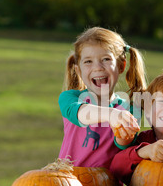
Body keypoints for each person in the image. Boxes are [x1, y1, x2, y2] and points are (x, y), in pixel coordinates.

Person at [58, 27, 147, 169]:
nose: (98, 67)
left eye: (106, 59)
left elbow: (124, 145)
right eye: (88, 61)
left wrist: (125, 132)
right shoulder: (70, 97)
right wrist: (111, 114)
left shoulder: (130, 109)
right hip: (66, 183)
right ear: (78, 70)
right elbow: (81, 114)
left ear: (121, 66)